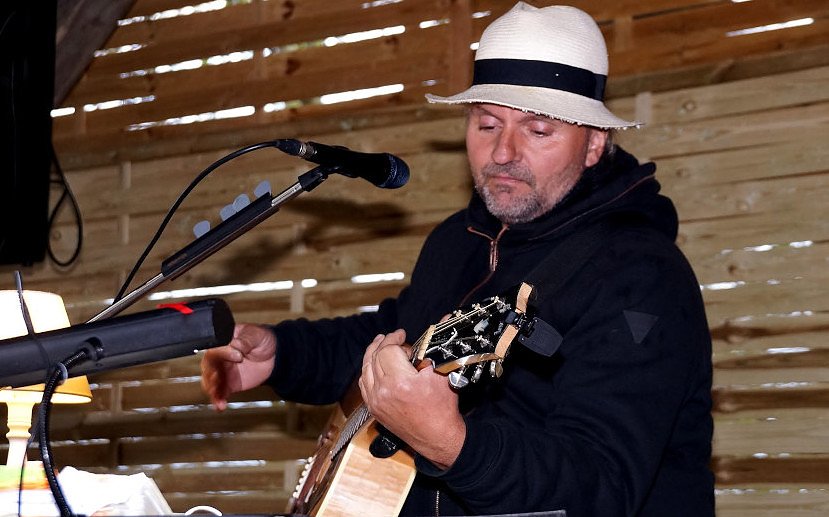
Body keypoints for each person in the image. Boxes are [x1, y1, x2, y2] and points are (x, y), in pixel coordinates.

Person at [201, 3, 714, 516]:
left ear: (594, 144)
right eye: (487, 124)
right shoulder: (460, 240)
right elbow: (396, 338)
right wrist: (283, 355)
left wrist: (454, 446)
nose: (503, 152)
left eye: (537, 131)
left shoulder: (642, 276)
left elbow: (603, 486)